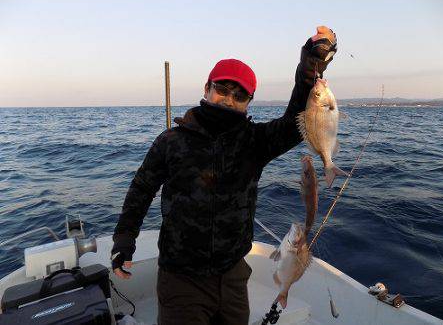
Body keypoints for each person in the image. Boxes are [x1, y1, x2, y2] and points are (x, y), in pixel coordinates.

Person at [111, 26, 337, 325]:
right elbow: (140, 191)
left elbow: (296, 122)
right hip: (181, 278)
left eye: (240, 94)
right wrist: (125, 239)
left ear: (249, 100)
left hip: (233, 275)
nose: (229, 99)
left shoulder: (255, 141)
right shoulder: (171, 141)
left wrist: (310, 67)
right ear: (207, 88)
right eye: (223, 89)